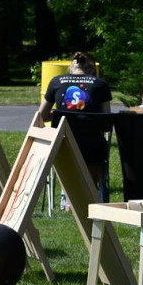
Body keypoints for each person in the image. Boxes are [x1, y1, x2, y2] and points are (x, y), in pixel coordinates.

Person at [37, 52, 112, 191]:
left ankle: (67, 195)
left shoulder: (56, 81)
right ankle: (91, 193)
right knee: (95, 149)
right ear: (92, 70)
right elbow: (106, 122)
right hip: (92, 147)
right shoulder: (101, 85)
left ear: (71, 68)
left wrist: (57, 115)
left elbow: (41, 116)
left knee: (68, 153)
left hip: (62, 146)